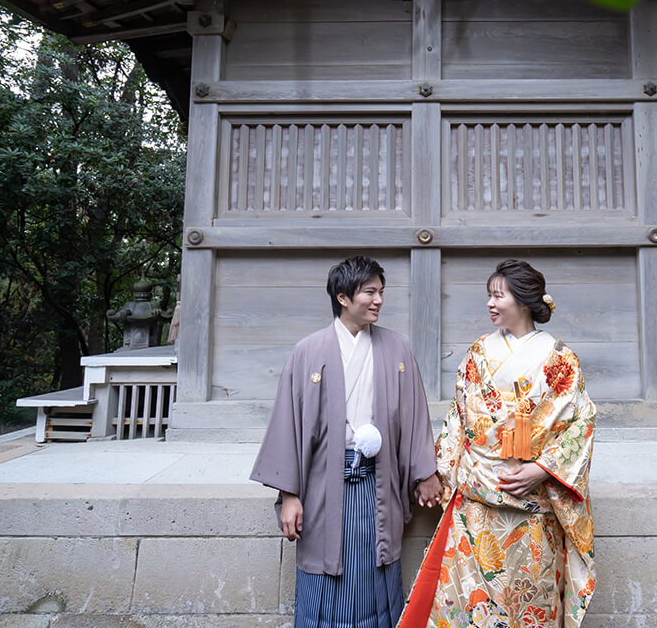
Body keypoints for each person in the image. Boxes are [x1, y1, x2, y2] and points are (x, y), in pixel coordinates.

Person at [400, 259, 597, 628]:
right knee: (469, 602)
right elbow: (458, 419)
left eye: (498, 296)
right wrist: (435, 475)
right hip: (477, 504)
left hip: (533, 504)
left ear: (522, 301)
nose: (490, 304)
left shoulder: (559, 358)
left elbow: (579, 422)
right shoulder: (478, 353)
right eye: (489, 296)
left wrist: (541, 469)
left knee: (530, 601)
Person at [251, 255, 442, 628]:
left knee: (376, 560)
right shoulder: (308, 351)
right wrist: (290, 495)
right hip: (322, 484)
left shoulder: (396, 348)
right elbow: (287, 424)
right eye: (369, 292)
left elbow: (415, 415)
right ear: (343, 297)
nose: (378, 300)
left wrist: (425, 473)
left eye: (381, 292)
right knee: (324, 564)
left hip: (377, 479)